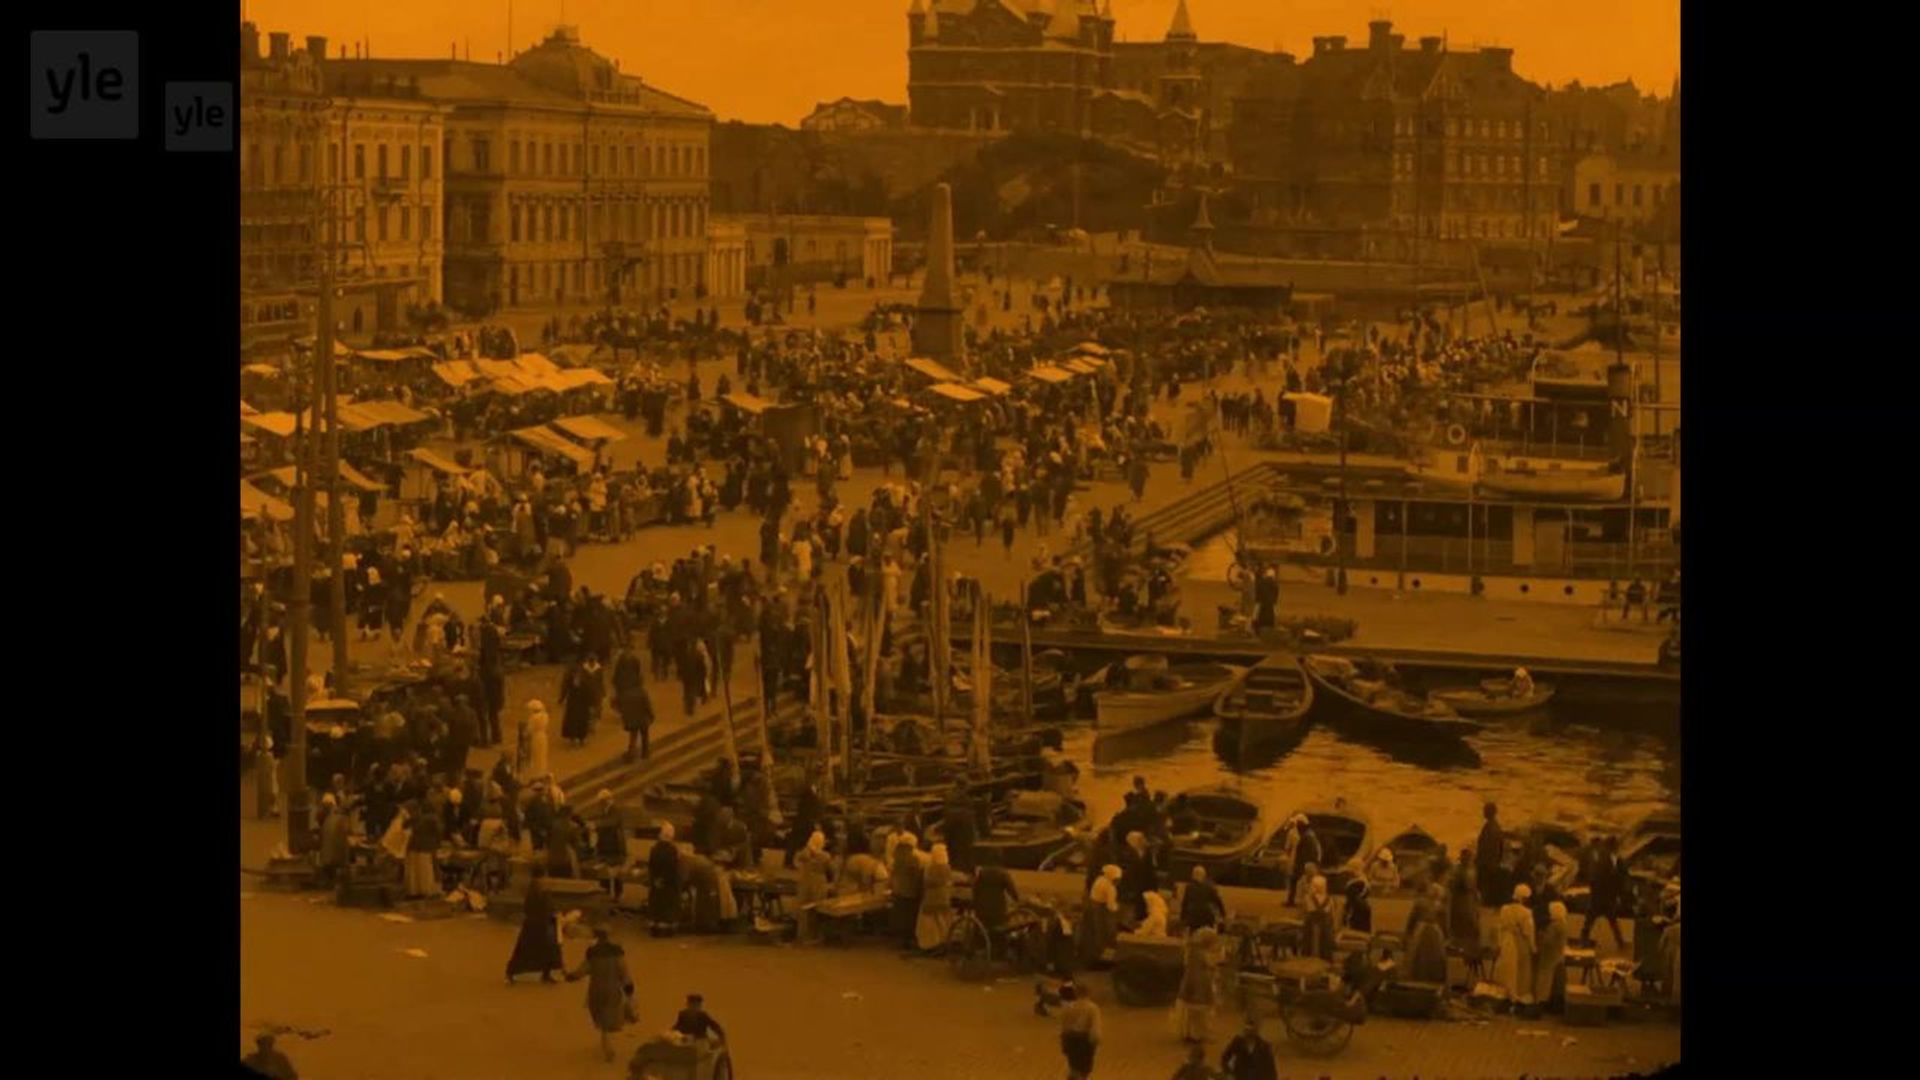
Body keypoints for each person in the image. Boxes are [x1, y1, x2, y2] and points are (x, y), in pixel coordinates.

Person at [565, 927, 635, 1062]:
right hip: (613, 990)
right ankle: (608, 1046)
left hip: (596, 991)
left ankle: (606, 1045)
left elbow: (581, 972)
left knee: (602, 1021)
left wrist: (569, 976)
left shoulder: (593, 954)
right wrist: (630, 993)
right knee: (608, 1020)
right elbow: (625, 975)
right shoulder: (617, 954)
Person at [506, 872, 564, 984]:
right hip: (537, 926)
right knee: (530, 951)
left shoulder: (538, 892)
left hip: (538, 925)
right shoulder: (538, 892)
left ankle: (545, 974)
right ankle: (512, 973)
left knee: (544, 951)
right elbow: (538, 908)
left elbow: (533, 908)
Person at [1171, 926, 1220, 1043]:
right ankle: (1197, 1034)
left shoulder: (1192, 950)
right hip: (1200, 984)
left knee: (1189, 1011)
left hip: (1190, 983)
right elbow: (1209, 964)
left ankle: (1189, 1033)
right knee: (1200, 1012)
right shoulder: (1200, 953)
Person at [1493, 884, 1538, 1008]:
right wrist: (1533, 947)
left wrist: (1499, 943)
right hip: (1520, 943)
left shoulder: (1504, 909)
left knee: (1507, 969)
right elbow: (1528, 932)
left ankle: (1505, 994)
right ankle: (1518, 996)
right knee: (1520, 971)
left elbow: (1500, 928)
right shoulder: (1526, 913)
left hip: (1506, 941)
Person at [1579, 835, 1626, 950]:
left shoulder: (1611, 859)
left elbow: (1616, 879)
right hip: (1601, 897)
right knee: (1602, 920)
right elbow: (1597, 877)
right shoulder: (1604, 860)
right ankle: (1620, 942)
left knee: (1594, 920)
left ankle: (1584, 940)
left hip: (1604, 897)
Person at [795, 829, 836, 944]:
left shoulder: (803, 853)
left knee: (803, 909)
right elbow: (832, 870)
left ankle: (802, 935)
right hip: (819, 883)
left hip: (805, 881)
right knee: (817, 909)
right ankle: (815, 935)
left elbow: (797, 861)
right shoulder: (825, 856)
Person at [613, 644, 653, 761]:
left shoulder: (629, 661)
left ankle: (632, 754)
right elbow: (647, 705)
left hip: (633, 718)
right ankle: (645, 753)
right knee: (644, 735)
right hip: (643, 719)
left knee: (633, 736)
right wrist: (651, 715)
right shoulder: (642, 693)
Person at [1077, 864, 1121, 968]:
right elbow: (1111, 906)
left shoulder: (1099, 880)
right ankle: (1101, 960)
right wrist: (1117, 909)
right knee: (1102, 935)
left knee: (1091, 934)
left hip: (1091, 909)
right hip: (1101, 912)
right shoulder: (1110, 887)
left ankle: (1087, 958)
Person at [1057, 981, 1102, 1080]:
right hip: (1085, 1040)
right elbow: (1095, 1026)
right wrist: (1096, 1040)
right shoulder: (1092, 1008)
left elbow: (1064, 1025)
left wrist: (1064, 1041)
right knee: (1085, 1067)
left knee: (1074, 1065)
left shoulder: (1069, 1007)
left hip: (1071, 1039)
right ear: (1089, 993)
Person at [914, 843, 955, 952]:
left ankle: (930, 944)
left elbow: (925, 883)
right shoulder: (947, 868)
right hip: (944, 898)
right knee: (943, 922)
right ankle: (944, 942)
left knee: (930, 924)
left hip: (930, 899)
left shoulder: (929, 868)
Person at [1403, 895, 1450, 984]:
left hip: (1424, 932)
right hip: (1431, 933)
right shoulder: (1440, 904)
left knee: (1420, 960)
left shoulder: (1421, 903)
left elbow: (1410, 924)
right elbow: (1446, 928)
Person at [889, 831, 924, 950]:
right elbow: (916, 875)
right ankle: (909, 940)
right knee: (910, 917)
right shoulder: (913, 858)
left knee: (901, 916)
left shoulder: (897, 858)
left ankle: (902, 939)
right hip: (910, 891)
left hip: (898, 890)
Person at [1535, 899, 1570, 1013]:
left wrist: (1540, 934)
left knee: (1545, 981)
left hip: (1549, 956)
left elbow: (1548, 941)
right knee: (1556, 982)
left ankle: (1541, 1002)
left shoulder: (1554, 925)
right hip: (1558, 956)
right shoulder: (1563, 923)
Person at [971, 850, 1020, 931]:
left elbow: (975, 891)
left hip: (982, 913)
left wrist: (976, 905)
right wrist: (1018, 900)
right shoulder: (1003, 874)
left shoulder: (981, 874)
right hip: (998, 913)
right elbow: (1012, 891)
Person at [647, 823, 684, 929]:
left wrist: (655, 880)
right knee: (672, 895)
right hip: (668, 884)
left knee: (655, 897)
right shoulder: (672, 850)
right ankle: (667, 922)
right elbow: (672, 869)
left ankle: (653, 921)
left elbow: (651, 866)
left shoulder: (654, 849)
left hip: (656, 882)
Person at [1448, 847, 1482, 945]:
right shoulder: (1459, 870)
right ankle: (1461, 942)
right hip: (1461, 899)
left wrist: (1475, 894)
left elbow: (1472, 884)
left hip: (1466, 899)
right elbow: (1459, 884)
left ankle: (1466, 942)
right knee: (1463, 921)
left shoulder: (1470, 869)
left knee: (1468, 921)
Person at [1476, 803, 1507, 909]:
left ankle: (1484, 904)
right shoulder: (1494, 826)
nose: (1483, 812)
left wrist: (1480, 861)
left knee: (1485, 885)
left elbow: (1487, 848)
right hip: (1491, 863)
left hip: (1487, 864)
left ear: (1490, 812)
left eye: (1485, 810)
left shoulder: (1491, 828)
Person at [1299, 871, 1334, 960]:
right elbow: (1331, 912)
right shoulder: (1330, 898)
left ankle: (1308, 954)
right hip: (1325, 924)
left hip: (1311, 923)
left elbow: (1306, 911)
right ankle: (1325, 956)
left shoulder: (1308, 898)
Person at [1180, 866, 1226, 933]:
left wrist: (1182, 917)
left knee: (1194, 935)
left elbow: (1185, 903)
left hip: (1193, 916)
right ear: (1204, 875)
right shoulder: (1210, 886)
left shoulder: (1189, 887)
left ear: (1193, 875)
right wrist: (1223, 914)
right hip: (1206, 916)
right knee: (1207, 935)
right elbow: (1218, 901)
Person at [522, 700, 551, 781]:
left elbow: (529, 729)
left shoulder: (533, 718)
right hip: (543, 736)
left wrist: (525, 734)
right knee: (542, 754)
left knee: (535, 755)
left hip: (535, 737)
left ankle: (536, 774)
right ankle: (543, 771)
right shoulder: (545, 715)